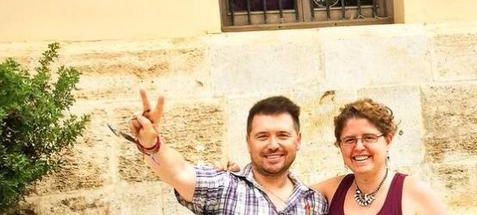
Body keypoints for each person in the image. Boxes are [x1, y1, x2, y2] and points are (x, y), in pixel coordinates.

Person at [129, 89, 328, 215]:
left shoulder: (315, 203)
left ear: (298, 140)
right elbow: (177, 172)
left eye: (283, 135)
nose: (273, 144)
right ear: (248, 141)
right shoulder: (224, 187)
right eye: (262, 136)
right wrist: (152, 144)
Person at [313, 98, 448, 215]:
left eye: (369, 137)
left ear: (388, 140)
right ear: (339, 145)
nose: (359, 147)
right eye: (349, 140)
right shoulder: (330, 191)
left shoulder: (415, 192)